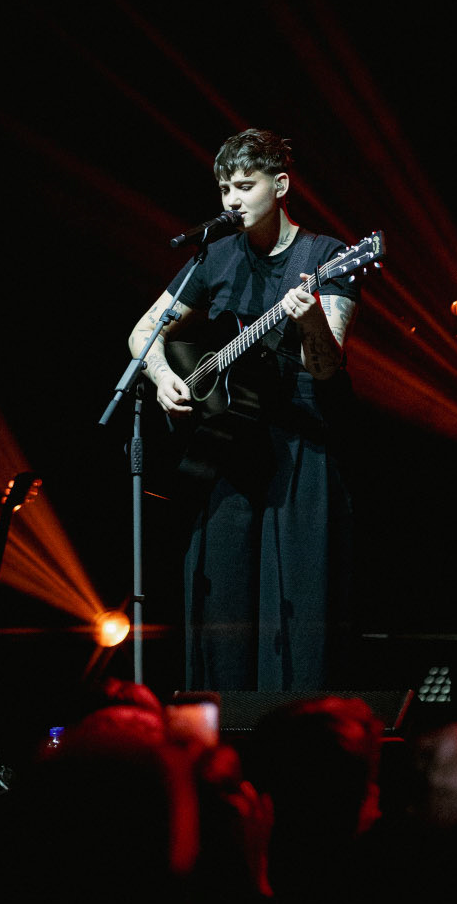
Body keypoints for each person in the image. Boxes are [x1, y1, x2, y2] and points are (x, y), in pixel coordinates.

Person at [127, 128, 360, 691]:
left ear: (280, 186)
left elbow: (327, 367)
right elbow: (143, 331)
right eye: (225, 189)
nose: (232, 200)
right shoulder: (217, 255)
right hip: (228, 447)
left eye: (245, 186)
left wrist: (309, 318)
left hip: (301, 445)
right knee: (221, 601)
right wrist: (163, 377)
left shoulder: (327, 256)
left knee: (297, 601)